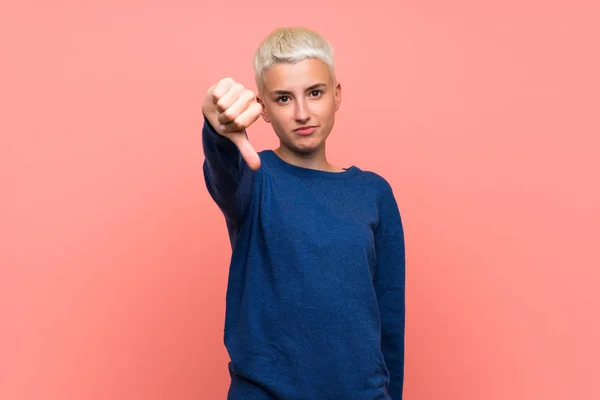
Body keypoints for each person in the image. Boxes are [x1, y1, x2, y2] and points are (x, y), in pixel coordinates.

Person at [201, 26, 406, 400]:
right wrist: (216, 128)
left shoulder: (373, 193)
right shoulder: (252, 178)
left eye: (314, 93)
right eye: (282, 98)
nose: (301, 113)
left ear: (336, 94)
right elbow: (222, 169)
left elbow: (389, 315)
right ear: (261, 107)